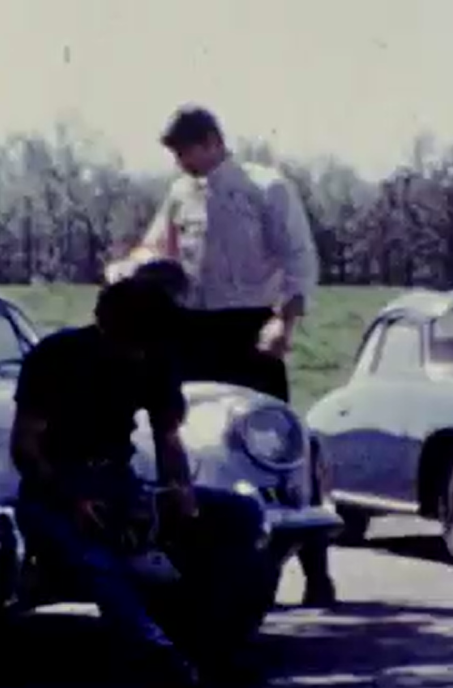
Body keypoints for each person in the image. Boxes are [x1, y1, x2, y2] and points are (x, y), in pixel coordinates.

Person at [106, 104, 338, 608]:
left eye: (184, 152)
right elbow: (157, 247)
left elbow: (300, 259)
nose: (180, 164)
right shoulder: (180, 193)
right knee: (186, 438)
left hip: (249, 326)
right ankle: (205, 567)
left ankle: (315, 569)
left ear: (211, 141)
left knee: (277, 446)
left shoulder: (266, 187)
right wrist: (130, 268)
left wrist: (285, 321)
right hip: (191, 328)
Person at [9, 276, 207, 688]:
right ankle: (158, 658)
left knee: (237, 518)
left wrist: (180, 490)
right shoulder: (55, 358)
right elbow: (25, 446)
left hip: (119, 479)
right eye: (132, 340)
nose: (139, 352)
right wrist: (69, 498)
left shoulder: (156, 359)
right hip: (53, 488)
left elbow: (168, 436)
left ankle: (215, 644)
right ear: (108, 327)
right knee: (97, 558)